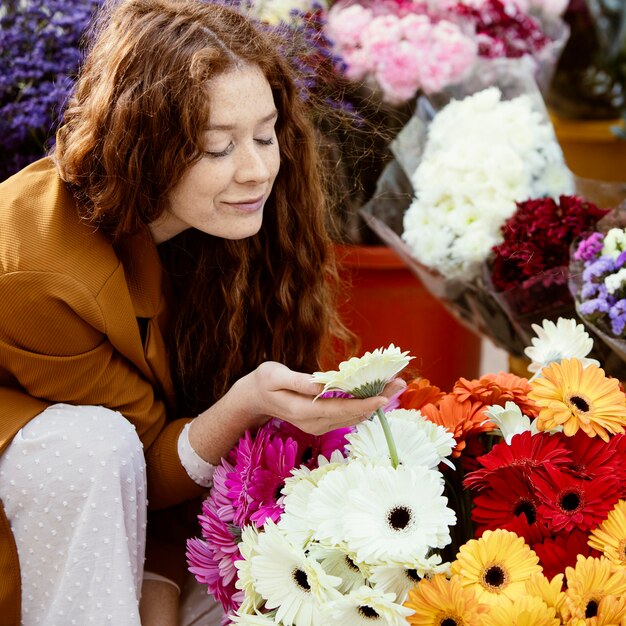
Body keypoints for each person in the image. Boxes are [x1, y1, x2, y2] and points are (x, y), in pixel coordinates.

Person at [0, 0, 405, 624]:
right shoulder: (38, 273)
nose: (256, 170)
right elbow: (131, 465)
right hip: (41, 514)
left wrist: (160, 574)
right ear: (143, 147)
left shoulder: (223, 229)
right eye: (217, 148)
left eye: (266, 135)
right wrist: (247, 401)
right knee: (89, 444)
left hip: (134, 521)